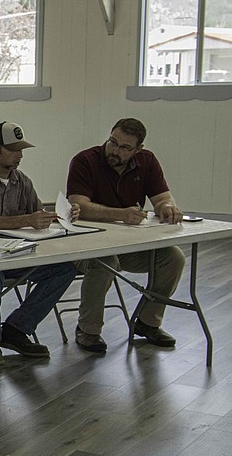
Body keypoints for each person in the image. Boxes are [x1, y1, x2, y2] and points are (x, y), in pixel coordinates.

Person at [0, 121, 77, 366]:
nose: (20, 155)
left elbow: (37, 213)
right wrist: (27, 219)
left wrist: (60, 214)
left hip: (16, 255)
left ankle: (16, 328)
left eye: (21, 150)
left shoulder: (22, 181)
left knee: (65, 268)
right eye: (13, 149)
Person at [66, 117, 186, 353]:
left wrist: (166, 207)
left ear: (138, 149)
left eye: (124, 148)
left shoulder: (147, 161)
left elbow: (162, 197)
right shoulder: (85, 161)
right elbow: (80, 206)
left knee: (174, 258)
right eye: (112, 142)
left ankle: (148, 322)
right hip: (86, 244)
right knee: (105, 263)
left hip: (128, 244)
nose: (115, 150)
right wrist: (120, 214)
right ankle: (88, 330)